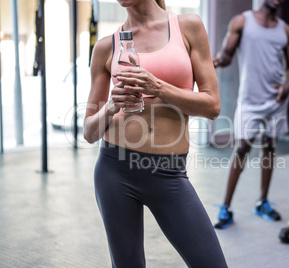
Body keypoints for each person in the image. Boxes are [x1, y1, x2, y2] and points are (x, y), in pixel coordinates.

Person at [83, 0, 228, 267]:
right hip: (115, 170)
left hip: (169, 172)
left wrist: (158, 86)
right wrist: (111, 107)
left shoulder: (188, 26)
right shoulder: (107, 46)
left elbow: (212, 106)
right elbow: (89, 132)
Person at [213, 0, 289, 229]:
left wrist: (287, 86)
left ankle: (262, 202)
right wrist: (218, 61)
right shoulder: (242, 21)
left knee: (270, 148)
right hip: (250, 100)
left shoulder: (285, 30)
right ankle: (226, 207)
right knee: (242, 149)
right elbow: (227, 54)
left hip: (276, 100)